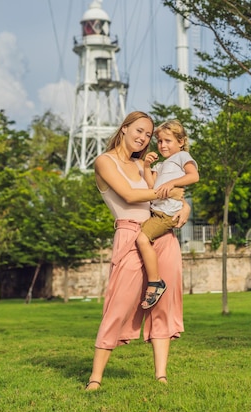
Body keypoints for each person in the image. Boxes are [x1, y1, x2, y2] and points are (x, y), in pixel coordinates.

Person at [86, 111, 189, 391]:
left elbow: (171, 194)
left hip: (161, 233)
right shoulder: (104, 162)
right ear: (124, 129)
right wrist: (168, 193)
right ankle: (95, 378)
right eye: (139, 131)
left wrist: (185, 206)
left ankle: (161, 376)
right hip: (130, 235)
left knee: (163, 304)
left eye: (148, 134)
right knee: (117, 306)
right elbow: (131, 196)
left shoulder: (143, 166)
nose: (143, 138)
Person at [138, 120, 199, 309]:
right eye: (160, 141)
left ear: (181, 142)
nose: (163, 145)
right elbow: (150, 185)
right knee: (140, 236)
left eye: (168, 141)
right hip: (156, 211)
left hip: (166, 214)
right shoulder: (162, 165)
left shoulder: (182, 156)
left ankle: (156, 282)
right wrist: (147, 166)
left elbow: (194, 176)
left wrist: (172, 184)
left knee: (141, 239)